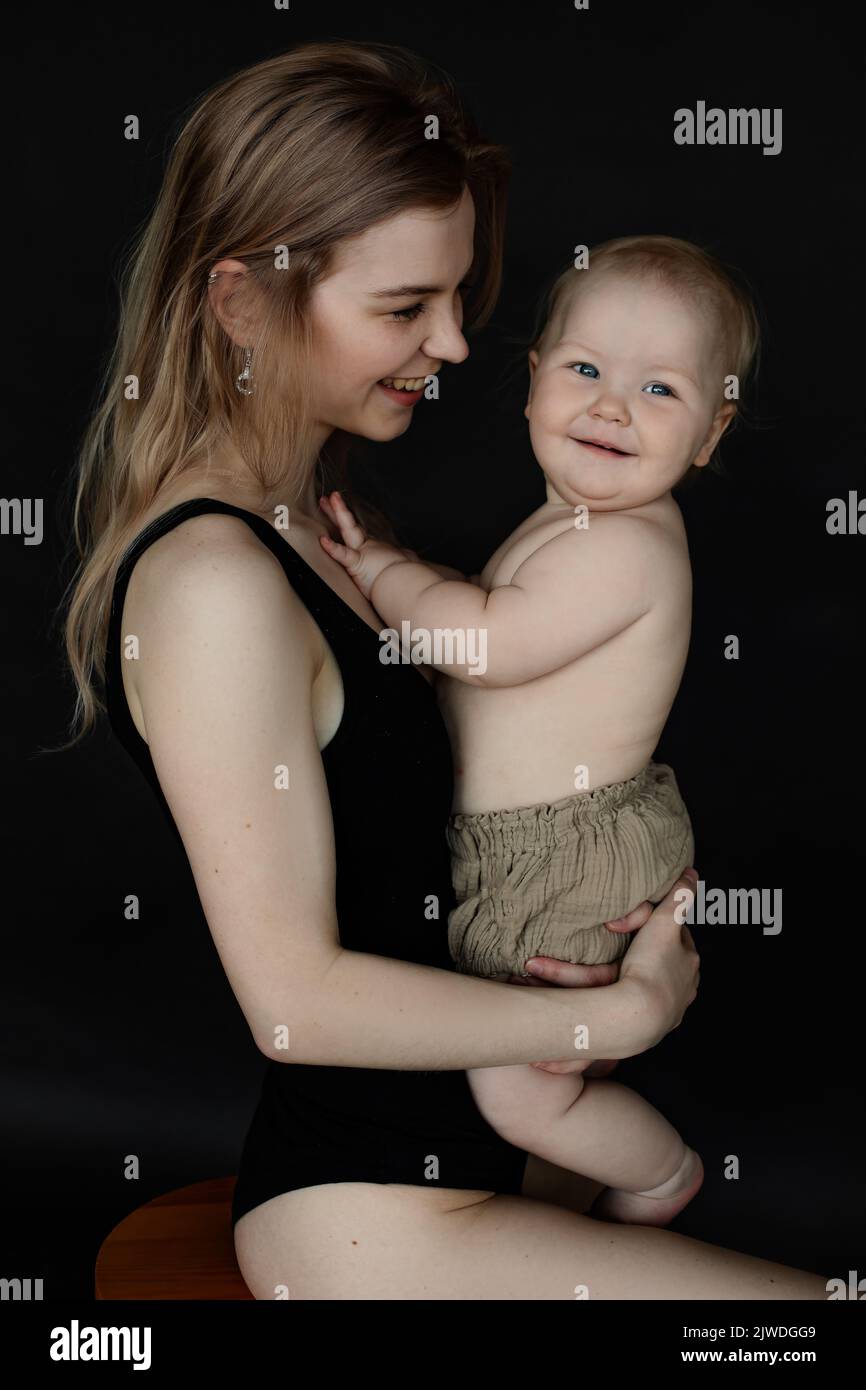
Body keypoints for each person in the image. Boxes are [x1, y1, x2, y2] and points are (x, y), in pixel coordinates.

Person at [60, 40, 827, 1298]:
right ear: (244, 301)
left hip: (509, 1162)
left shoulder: (311, 512)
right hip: (380, 1214)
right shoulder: (210, 586)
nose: (457, 346)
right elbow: (296, 1004)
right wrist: (612, 1017)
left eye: (459, 299)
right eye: (406, 307)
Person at [317, 233, 757, 1229]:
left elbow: (485, 645)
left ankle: (656, 1175)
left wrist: (382, 572)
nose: (610, 406)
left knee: (520, 1088)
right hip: (550, 840)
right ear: (531, 383)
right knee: (526, 1064)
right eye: (586, 370)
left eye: (659, 391)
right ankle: (557, 1218)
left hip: (563, 853)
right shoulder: (569, 525)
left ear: (708, 433)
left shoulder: (625, 547)